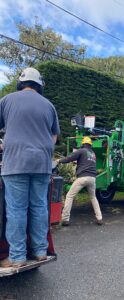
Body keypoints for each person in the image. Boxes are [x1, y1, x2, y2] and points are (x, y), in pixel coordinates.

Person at [0, 67, 60, 268]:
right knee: (39, 206)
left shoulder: (7, 100)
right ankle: (40, 251)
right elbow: (54, 135)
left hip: (15, 162)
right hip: (42, 163)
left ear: (21, 82)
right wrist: (45, 148)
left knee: (17, 209)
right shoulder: (49, 106)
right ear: (40, 85)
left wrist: (3, 144)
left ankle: (17, 257)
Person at [57, 136, 103, 226]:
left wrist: (59, 160)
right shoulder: (93, 153)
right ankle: (99, 218)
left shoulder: (81, 151)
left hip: (83, 177)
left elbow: (69, 158)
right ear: (90, 144)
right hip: (92, 178)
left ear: (83, 144)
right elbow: (85, 162)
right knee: (93, 198)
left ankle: (65, 219)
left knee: (69, 196)